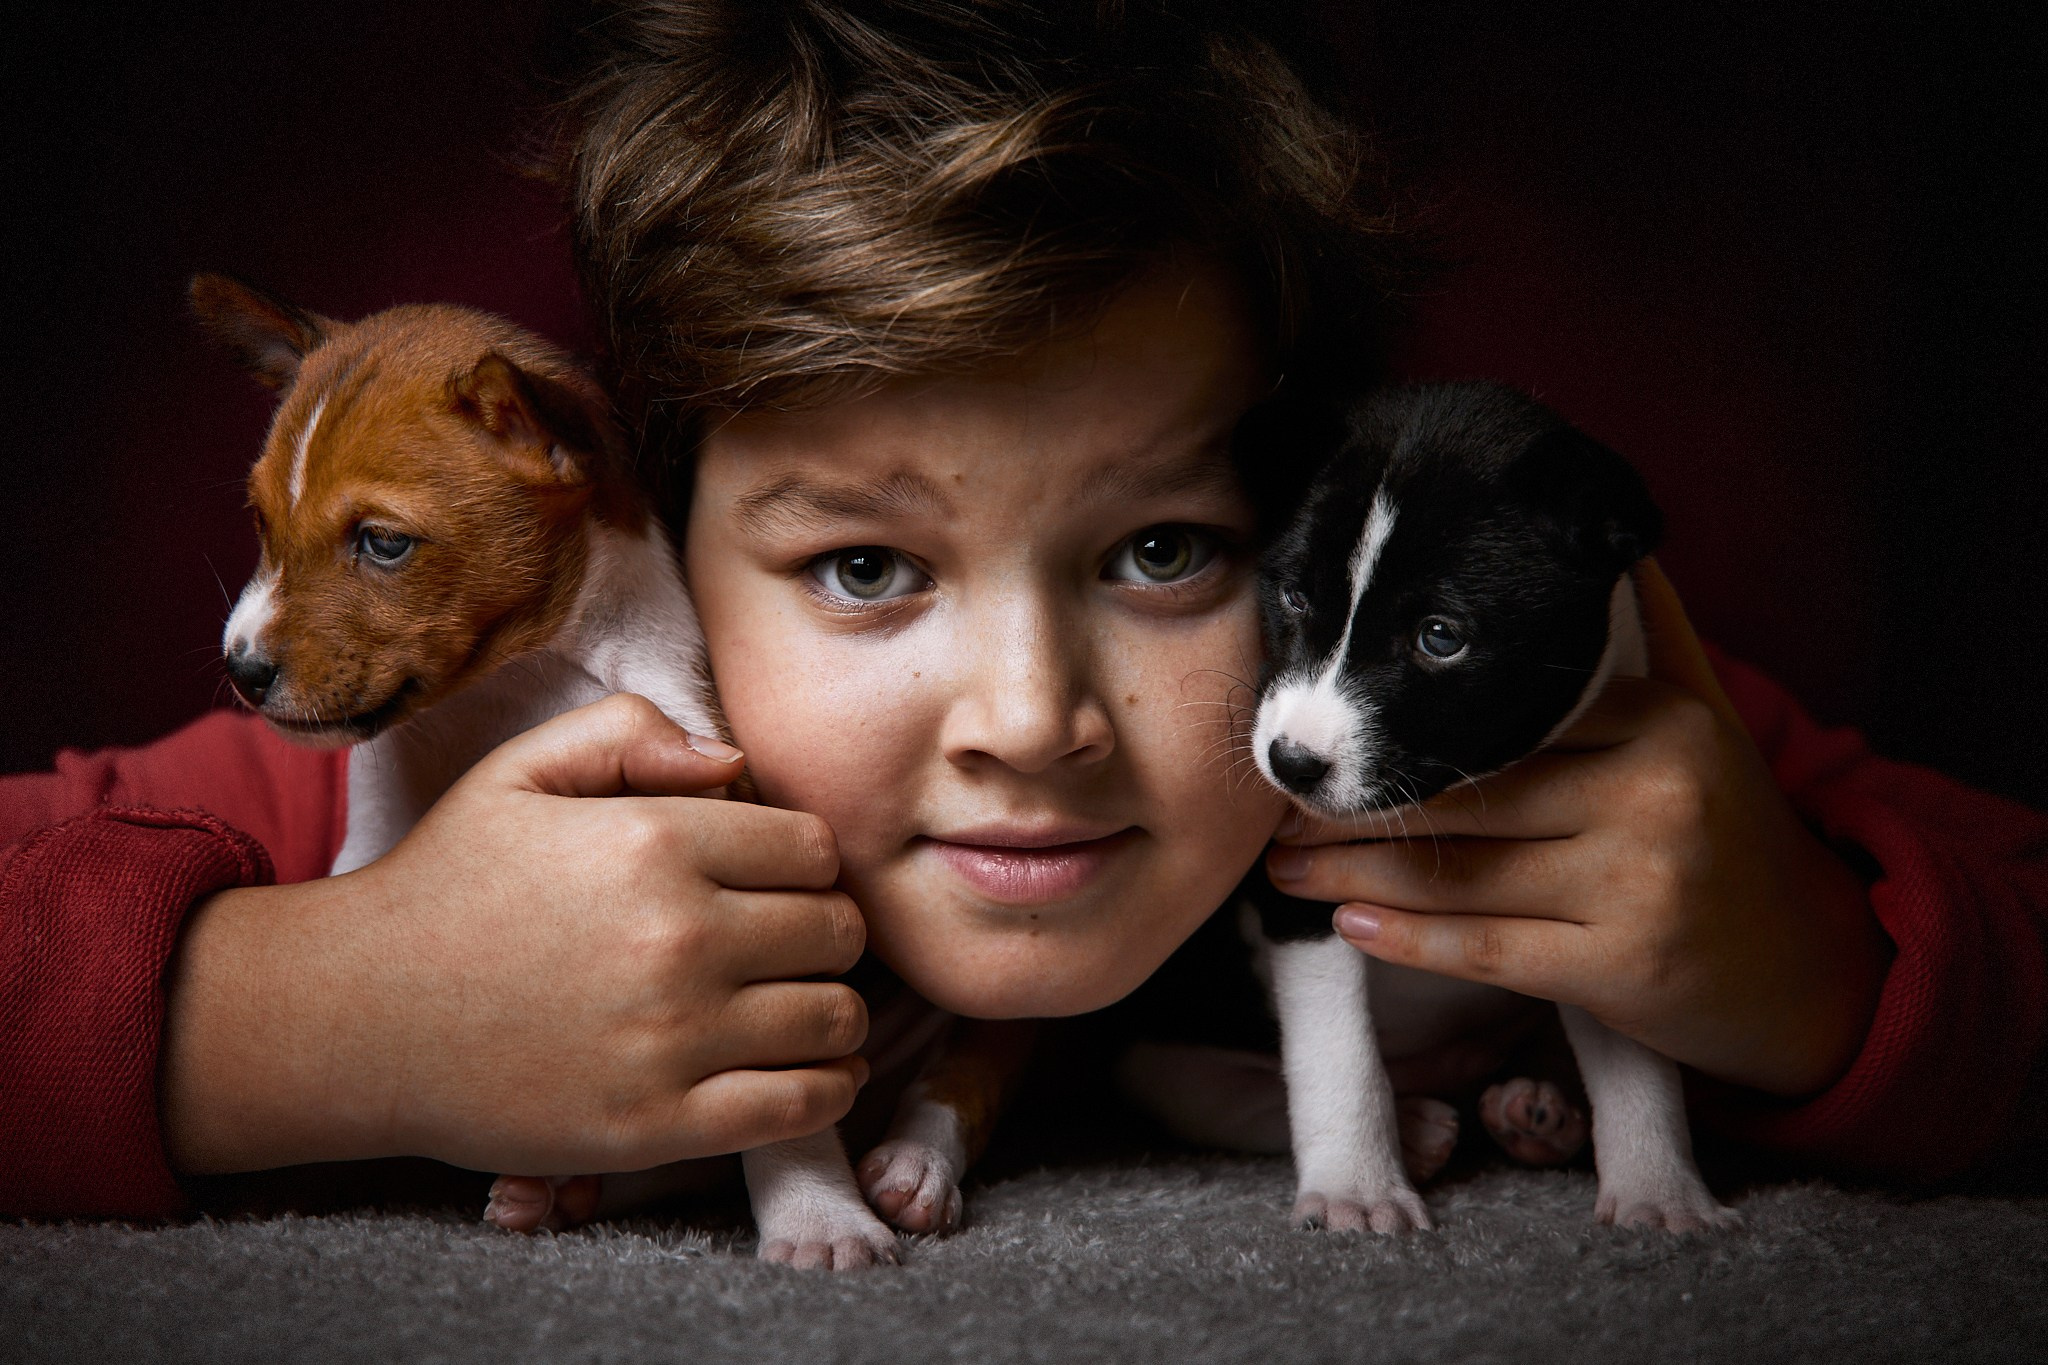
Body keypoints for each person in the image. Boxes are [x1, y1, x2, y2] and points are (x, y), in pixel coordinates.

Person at [3, 0, 2042, 1222]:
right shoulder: (488, 748)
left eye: (1162, 550)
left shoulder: (1457, 723)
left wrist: (1819, 963)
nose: (1031, 714)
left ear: (1315, 524)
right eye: (868, 566)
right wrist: (303, 1012)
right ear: (658, 541)